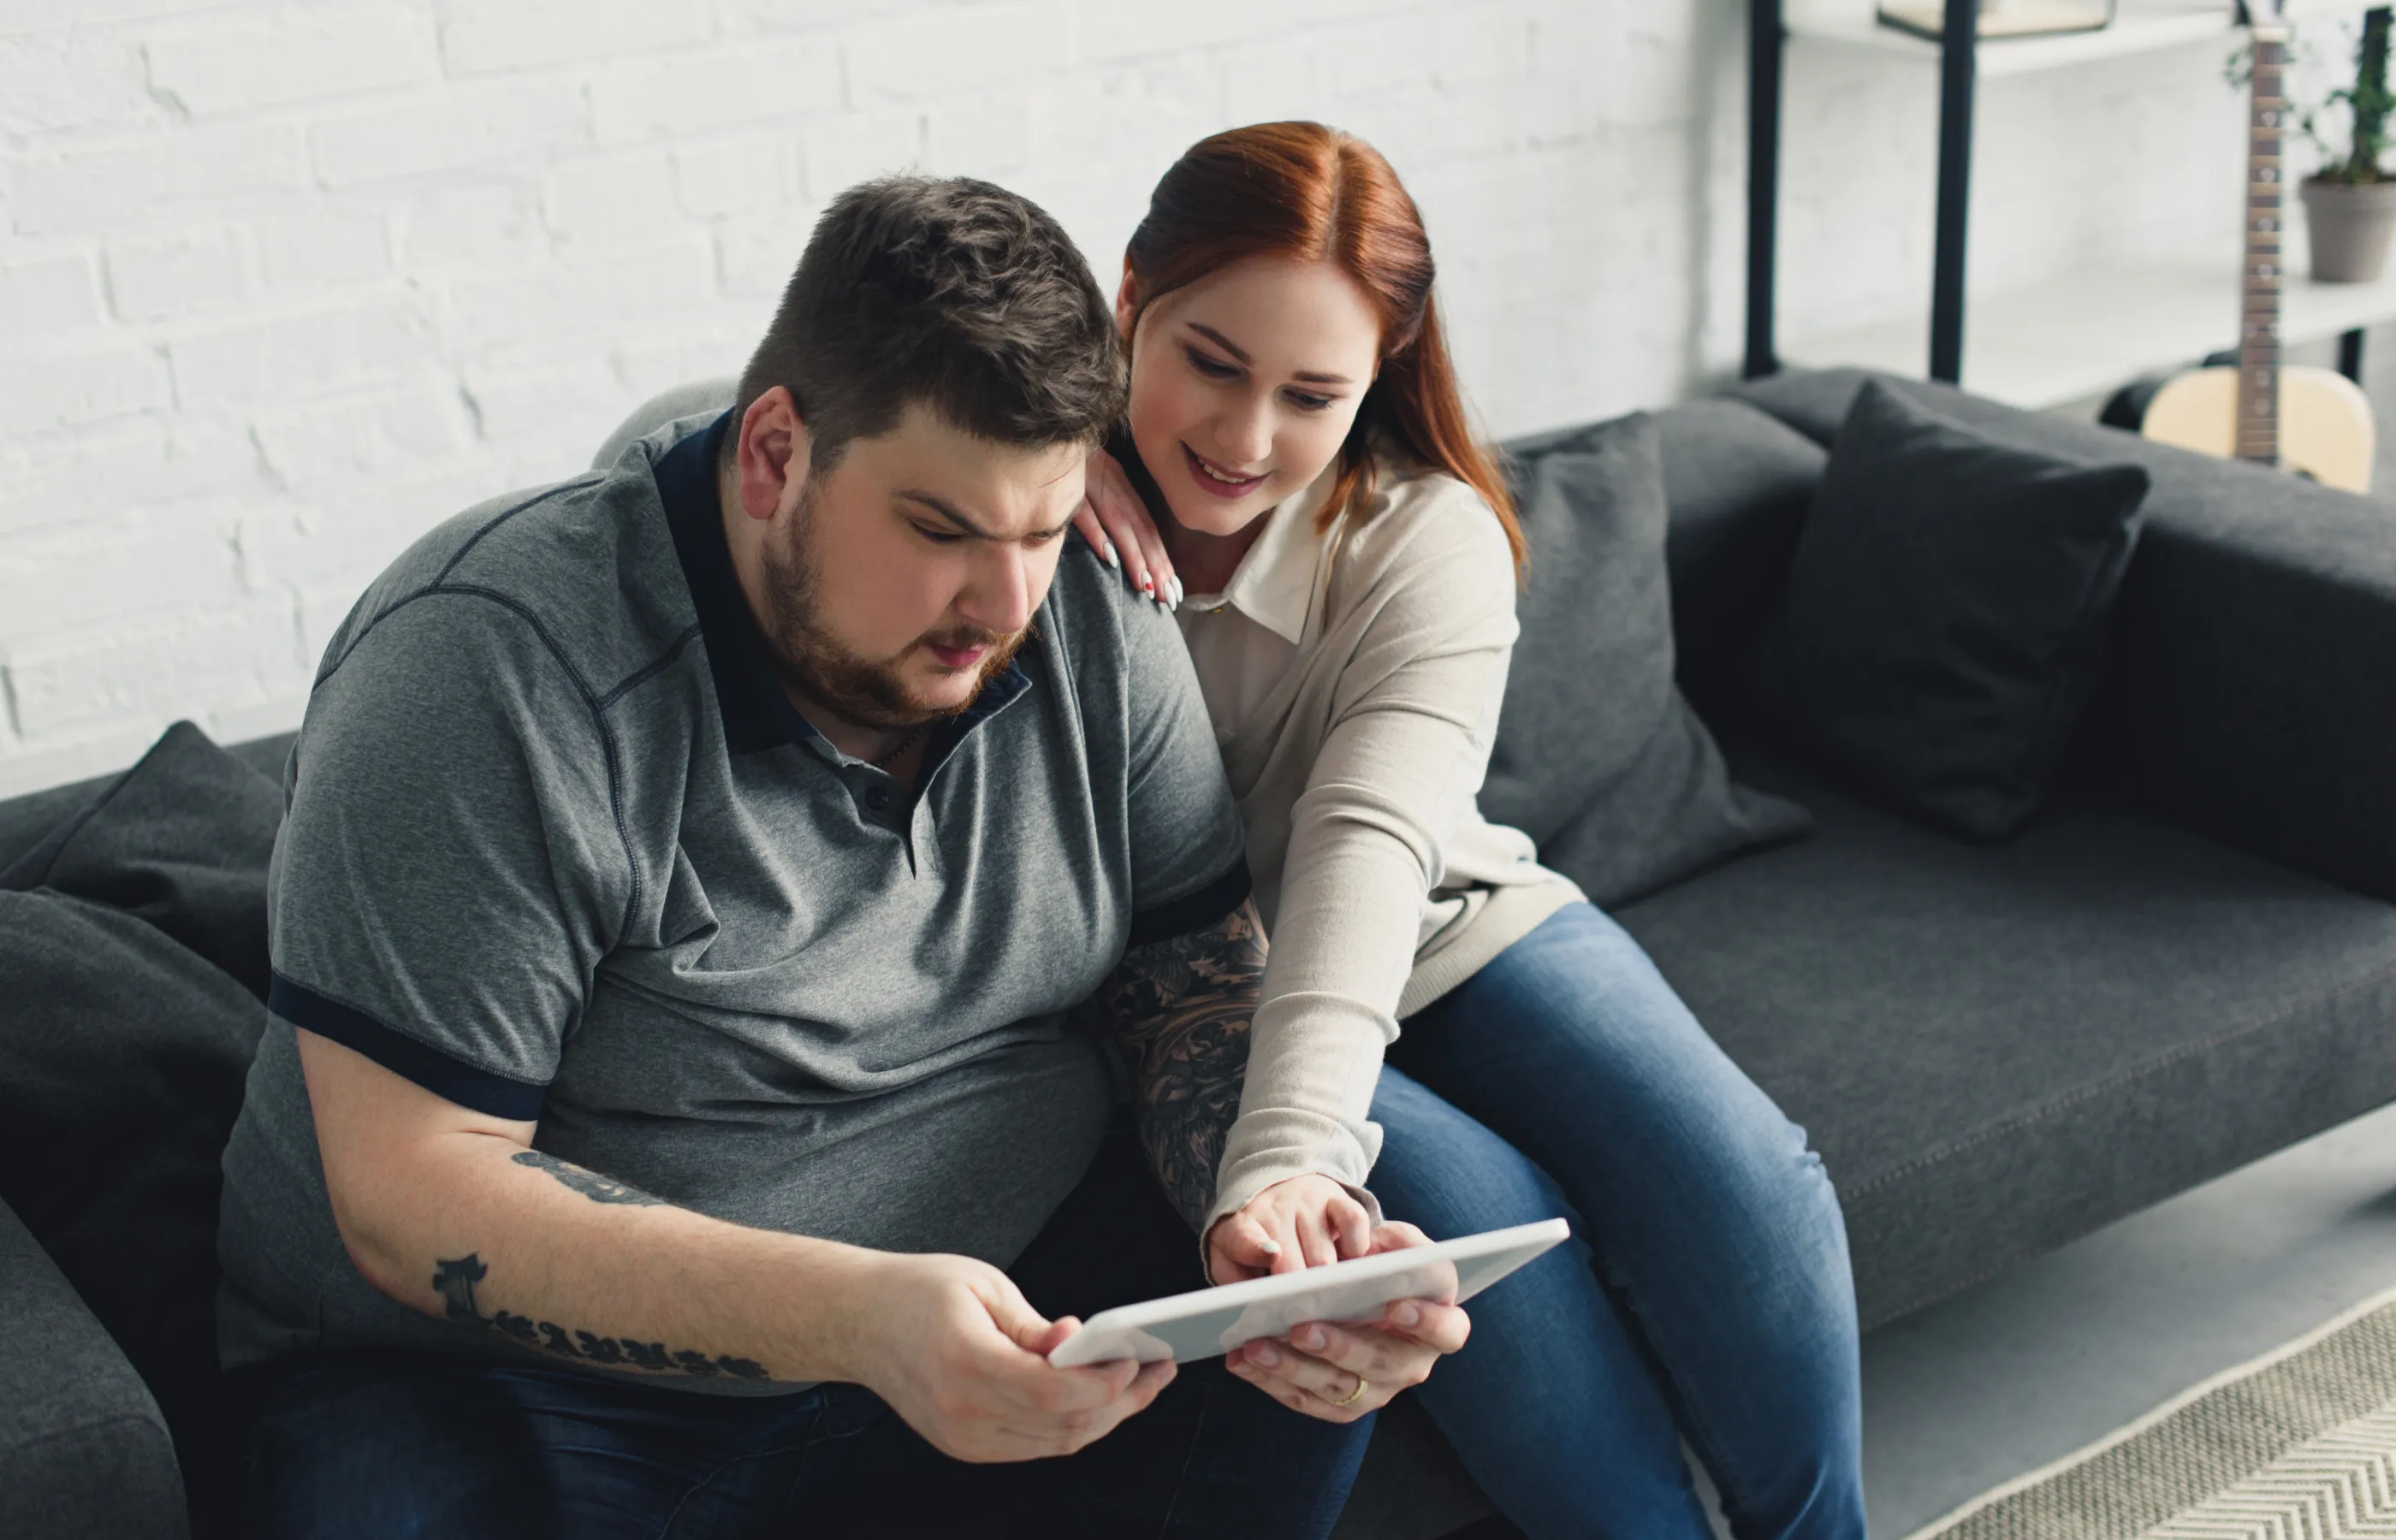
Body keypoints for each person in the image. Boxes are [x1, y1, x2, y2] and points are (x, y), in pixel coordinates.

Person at [214, 175, 1468, 1540]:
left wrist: (1266, 1225)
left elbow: (1197, 984)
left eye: (1042, 530)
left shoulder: (1092, 608)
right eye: (941, 531)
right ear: (772, 455)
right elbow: (415, 1195)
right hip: (517, 1384)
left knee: (1300, 1363)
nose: (1001, 607)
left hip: (1014, 1293)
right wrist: (856, 1319)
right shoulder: (490, 666)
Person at [1069, 122, 1870, 1538]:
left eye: (1312, 395)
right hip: (1217, 992)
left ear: (1379, 379)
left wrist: (1289, 1149)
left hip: (1441, 918)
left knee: (1750, 1188)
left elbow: (1370, 848)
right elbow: (752, 423)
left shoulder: (1428, 536)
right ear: (1131, 296)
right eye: (1208, 362)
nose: (1245, 441)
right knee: (1475, 1269)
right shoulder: (1017, 507)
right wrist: (1039, 439)